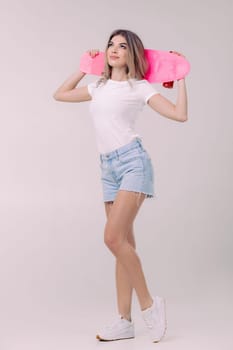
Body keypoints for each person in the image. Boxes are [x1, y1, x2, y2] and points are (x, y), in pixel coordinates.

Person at [53, 29, 188, 343]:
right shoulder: (97, 87)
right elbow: (60, 94)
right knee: (123, 245)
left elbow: (180, 115)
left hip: (133, 163)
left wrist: (180, 77)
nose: (114, 49)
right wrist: (84, 67)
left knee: (113, 239)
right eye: (110, 45)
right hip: (107, 169)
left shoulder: (138, 87)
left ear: (133, 54)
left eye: (122, 46)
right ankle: (124, 321)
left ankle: (150, 305)